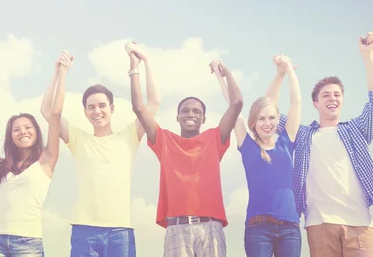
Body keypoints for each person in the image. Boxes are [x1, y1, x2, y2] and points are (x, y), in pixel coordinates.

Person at [128, 42, 243, 257]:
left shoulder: (214, 138)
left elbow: (237, 103)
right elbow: (139, 108)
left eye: (196, 111)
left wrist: (225, 71)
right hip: (177, 229)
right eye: (186, 110)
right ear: (178, 116)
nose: (191, 114)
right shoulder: (164, 140)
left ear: (203, 118)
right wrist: (135, 65)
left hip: (211, 228)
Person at [0, 50, 72, 256]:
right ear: (11, 137)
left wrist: (60, 72)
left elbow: (55, 114)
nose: (23, 132)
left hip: (28, 242)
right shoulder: (3, 165)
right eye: (16, 129)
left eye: (28, 128)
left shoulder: (47, 160)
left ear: (36, 132)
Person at [42, 44, 151, 257]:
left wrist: (139, 63)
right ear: (85, 112)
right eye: (91, 107)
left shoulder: (129, 136)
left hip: (121, 231)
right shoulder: (78, 139)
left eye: (102, 105)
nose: (97, 111)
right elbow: (48, 111)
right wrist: (59, 72)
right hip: (84, 230)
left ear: (112, 108)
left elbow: (152, 104)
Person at [273, 32, 373, 256]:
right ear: (315, 104)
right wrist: (281, 75)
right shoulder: (303, 135)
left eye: (337, 95)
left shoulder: (356, 130)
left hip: (359, 222)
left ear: (343, 101)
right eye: (326, 95)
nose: (332, 98)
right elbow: (269, 112)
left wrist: (368, 57)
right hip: (319, 222)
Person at [212, 56, 301, 256]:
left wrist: (288, 70)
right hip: (257, 229)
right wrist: (221, 76)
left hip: (290, 229)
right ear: (253, 122)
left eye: (271, 118)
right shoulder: (247, 146)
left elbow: (296, 102)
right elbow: (233, 104)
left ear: (278, 119)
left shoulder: (287, 142)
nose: (267, 123)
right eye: (261, 118)